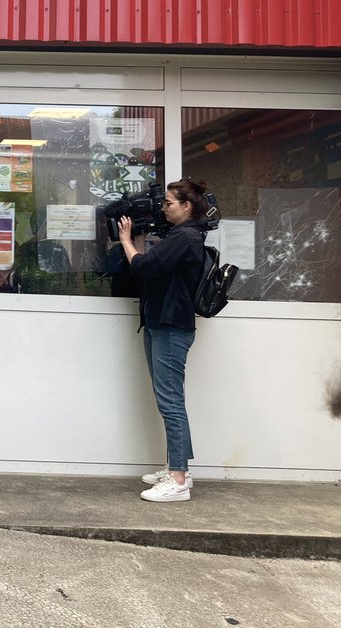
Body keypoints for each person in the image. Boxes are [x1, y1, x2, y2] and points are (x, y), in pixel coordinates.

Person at [118, 178, 209, 503]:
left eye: (169, 203)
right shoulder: (180, 235)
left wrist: (127, 241)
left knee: (171, 402)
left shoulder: (185, 236)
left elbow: (144, 266)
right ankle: (176, 466)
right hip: (161, 322)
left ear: (186, 206)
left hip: (171, 326)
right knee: (168, 400)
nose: (163, 207)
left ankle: (178, 480)